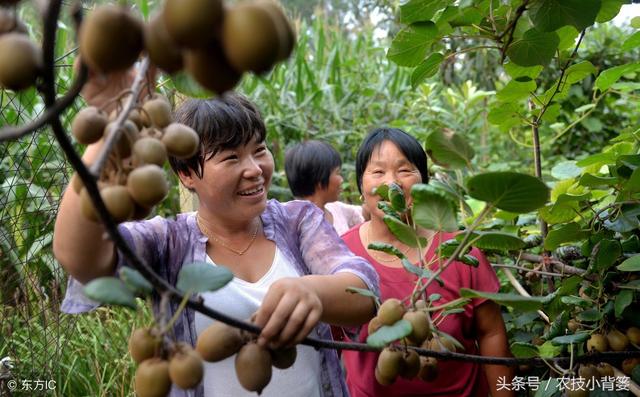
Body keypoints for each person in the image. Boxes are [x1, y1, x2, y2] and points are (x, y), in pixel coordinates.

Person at [53, 89, 379, 397]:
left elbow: (363, 290)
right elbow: (80, 257)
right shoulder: (168, 242)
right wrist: (110, 130)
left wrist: (314, 292)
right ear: (186, 175)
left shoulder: (298, 221)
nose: (254, 169)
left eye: (260, 150)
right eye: (231, 157)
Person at [338, 128, 515, 397]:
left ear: (424, 182)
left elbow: (491, 334)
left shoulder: (458, 251)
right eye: (378, 172)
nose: (392, 183)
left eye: (404, 170)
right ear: (361, 186)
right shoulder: (339, 253)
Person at [284, 140, 365, 235]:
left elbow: (364, 212)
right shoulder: (288, 224)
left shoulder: (336, 209)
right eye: (338, 173)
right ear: (320, 179)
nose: (342, 180)